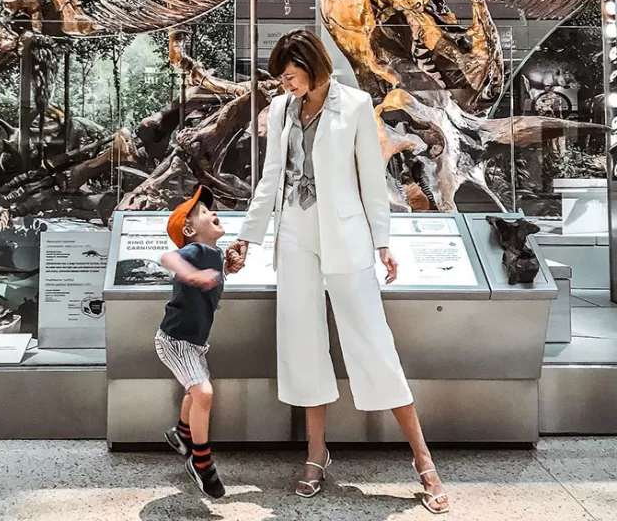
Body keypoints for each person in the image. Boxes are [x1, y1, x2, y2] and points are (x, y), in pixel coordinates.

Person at [226, 30, 449, 514]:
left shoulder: (354, 104)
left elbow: (373, 180)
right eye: (280, 77)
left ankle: (423, 459)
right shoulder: (284, 109)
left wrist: (383, 243)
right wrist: (247, 237)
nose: (284, 84)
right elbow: (270, 179)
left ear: (313, 66)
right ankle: (315, 454)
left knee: (372, 341)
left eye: (289, 75)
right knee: (302, 343)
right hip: (295, 234)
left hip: (345, 237)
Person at [156, 185, 232, 500]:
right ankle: (201, 462)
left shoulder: (213, 254)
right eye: (203, 212)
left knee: (194, 391)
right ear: (189, 229)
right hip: (176, 341)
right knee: (203, 392)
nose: (212, 212)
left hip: (193, 343)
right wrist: (191, 275)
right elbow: (167, 257)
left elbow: (217, 273)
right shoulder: (195, 252)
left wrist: (230, 265)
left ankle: (181, 433)